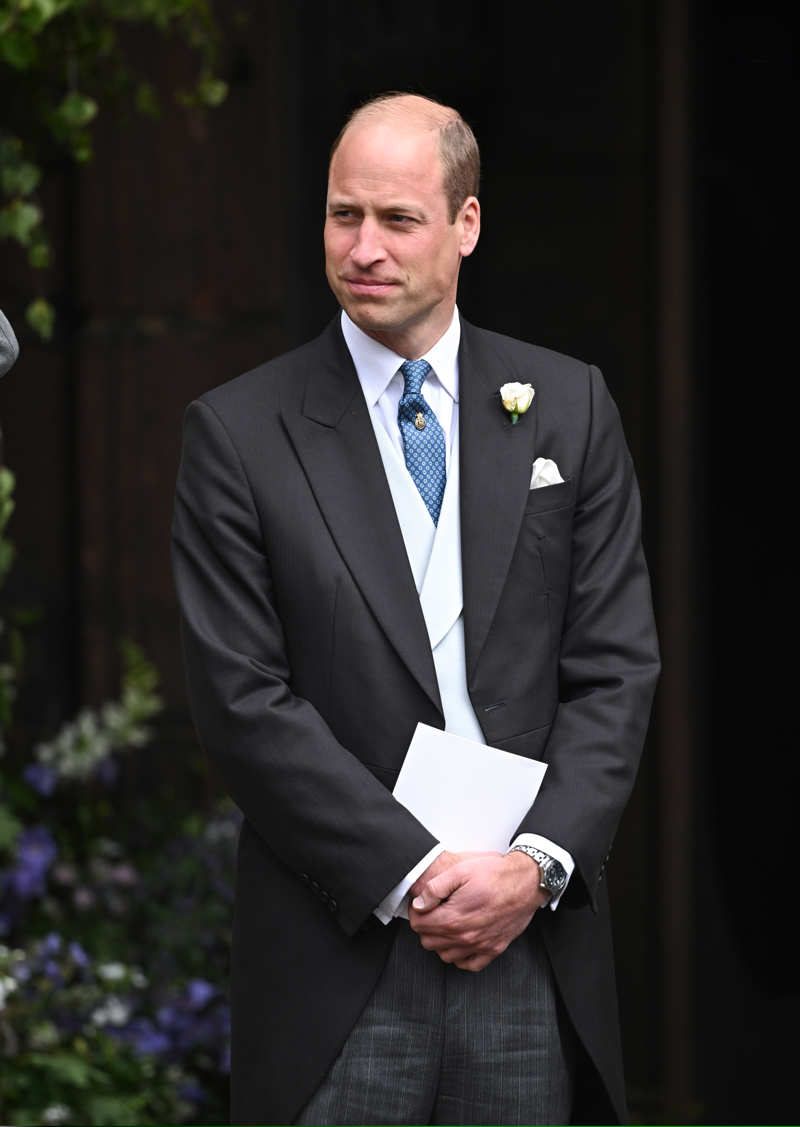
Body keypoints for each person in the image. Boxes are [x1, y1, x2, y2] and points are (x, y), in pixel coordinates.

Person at [172, 93, 660, 1126]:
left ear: (465, 225)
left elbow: (613, 664)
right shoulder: (238, 432)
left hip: (531, 941)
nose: (363, 247)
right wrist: (414, 870)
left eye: (396, 220)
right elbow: (241, 700)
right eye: (342, 216)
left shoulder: (567, 404)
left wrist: (534, 865)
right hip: (337, 949)